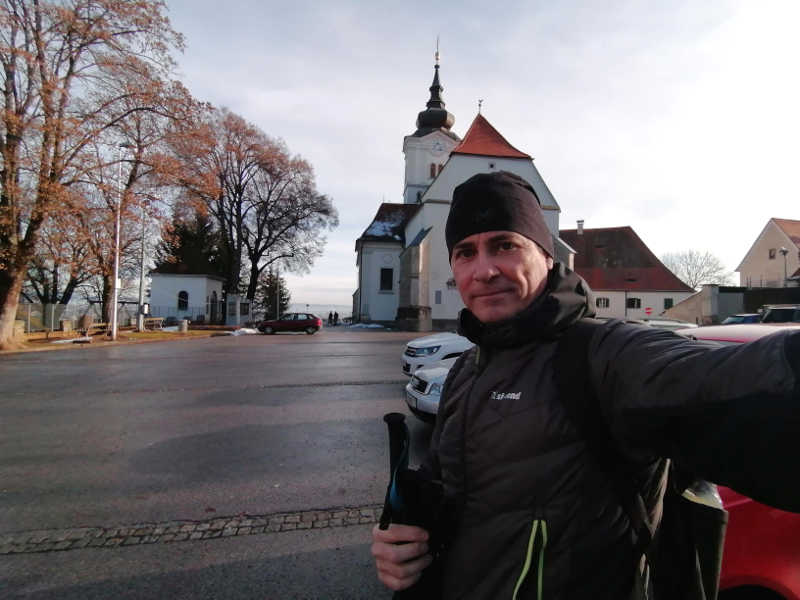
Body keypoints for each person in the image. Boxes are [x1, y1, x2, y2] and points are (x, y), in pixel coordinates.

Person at [371, 171, 800, 599]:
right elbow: (447, 487)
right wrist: (404, 539)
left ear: (546, 256)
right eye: (465, 252)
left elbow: (721, 378)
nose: (483, 270)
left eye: (505, 245)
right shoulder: (467, 368)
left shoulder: (604, 355)